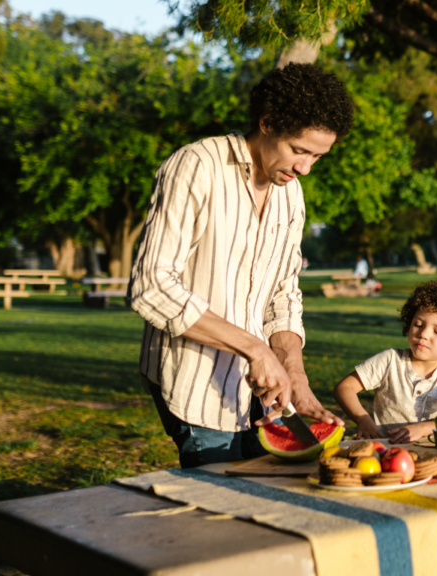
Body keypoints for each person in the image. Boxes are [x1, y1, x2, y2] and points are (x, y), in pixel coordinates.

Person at [128, 63, 352, 468]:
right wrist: (253, 349)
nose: (305, 168)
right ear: (266, 123)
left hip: (261, 392)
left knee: (271, 500)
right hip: (196, 380)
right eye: (299, 150)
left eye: (318, 156)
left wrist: (294, 375)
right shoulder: (197, 165)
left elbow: (283, 294)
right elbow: (152, 286)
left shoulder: (291, 195)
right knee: (223, 513)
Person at [333, 279, 437, 443]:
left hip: (432, 451)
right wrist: (362, 419)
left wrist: (424, 429)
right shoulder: (390, 360)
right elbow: (344, 387)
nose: (423, 334)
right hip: (386, 449)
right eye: (418, 324)